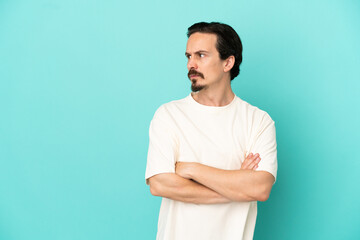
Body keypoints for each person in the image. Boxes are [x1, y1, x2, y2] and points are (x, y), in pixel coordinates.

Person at [145, 21, 277, 240]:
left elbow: (260, 188)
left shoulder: (258, 121)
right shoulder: (168, 115)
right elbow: (160, 184)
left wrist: (191, 169)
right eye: (188, 56)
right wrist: (237, 185)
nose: (191, 64)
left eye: (201, 55)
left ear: (228, 62)